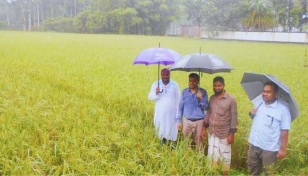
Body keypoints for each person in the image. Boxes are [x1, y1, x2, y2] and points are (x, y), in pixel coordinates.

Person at [247, 81, 291, 175]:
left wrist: (283, 149)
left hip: (269, 148)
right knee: (253, 171)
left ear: (275, 93)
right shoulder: (259, 103)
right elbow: (253, 115)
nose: (265, 94)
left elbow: (285, 130)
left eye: (268, 92)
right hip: (254, 143)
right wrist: (251, 113)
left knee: (268, 173)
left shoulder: (282, 110)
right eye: (263, 91)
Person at [203, 76, 237, 175]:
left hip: (224, 134)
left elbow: (234, 117)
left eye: (219, 85)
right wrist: (204, 128)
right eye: (215, 85)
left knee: (224, 158)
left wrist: (232, 134)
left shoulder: (231, 100)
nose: (217, 88)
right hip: (213, 133)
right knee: (212, 156)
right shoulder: (212, 98)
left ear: (223, 85)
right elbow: (208, 113)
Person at [177, 73, 208, 152]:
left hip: (199, 121)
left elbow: (206, 107)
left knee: (199, 143)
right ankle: (187, 158)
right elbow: (180, 107)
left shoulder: (203, 92)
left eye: (194, 81)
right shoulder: (184, 92)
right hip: (187, 120)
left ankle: (199, 160)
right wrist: (179, 121)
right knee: (186, 143)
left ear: (198, 82)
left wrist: (201, 98)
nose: (191, 83)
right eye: (190, 81)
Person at [148, 68, 180, 144]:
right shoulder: (156, 84)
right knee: (161, 131)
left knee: (171, 131)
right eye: (163, 75)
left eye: (167, 75)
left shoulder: (175, 85)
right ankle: (162, 146)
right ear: (160, 75)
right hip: (160, 113)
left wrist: (178, 114)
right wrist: (156, 92)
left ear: (169, 75)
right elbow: (150, 97)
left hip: (172, 114)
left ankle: (172, 147)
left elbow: (178, 99)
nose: (165, 76)